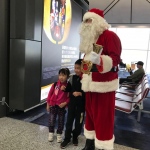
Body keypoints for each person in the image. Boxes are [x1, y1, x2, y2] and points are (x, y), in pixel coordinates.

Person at [79, 8, 122, 150]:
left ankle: (104, 146)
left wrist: (100, 60)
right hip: (90, 85)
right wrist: (83, 74)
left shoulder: (110, 36)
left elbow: (115, 59)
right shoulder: (89, 40)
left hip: (104, 86)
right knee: (90, 116)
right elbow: (87, 62)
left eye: (89, 20)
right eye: (85, 21)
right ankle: (90, 143)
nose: (86, 24)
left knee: (104, 118)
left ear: (97, 21)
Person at [60, 59, 85, 149]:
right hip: (72, 104)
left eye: (78, 68)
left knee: (79, 123)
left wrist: (80, 93)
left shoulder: (86, 79)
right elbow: (69, 88)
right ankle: (67, 138)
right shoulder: (72, 78)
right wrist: (64, 88)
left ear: (83, 68)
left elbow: (88, 94)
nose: (76, 70)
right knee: (69, 121)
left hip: (81, 106)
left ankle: (75, 136)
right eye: (75, 68)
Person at [46, 68, 71, 143]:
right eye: (60, 75)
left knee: (61, 121)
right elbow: (50, 94)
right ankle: (51, 133)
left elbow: (69, 97)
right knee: (51, 120)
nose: (61, 77)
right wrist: (48, 104)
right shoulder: (55, 84)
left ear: (67, 76)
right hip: (53, 105)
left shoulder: (68, 86)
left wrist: (65, 103)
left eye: (63, 75)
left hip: (61, 107)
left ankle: (59, 134)